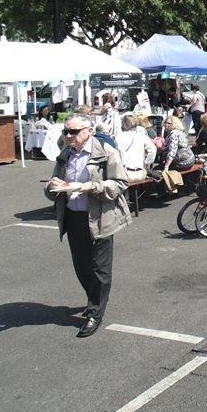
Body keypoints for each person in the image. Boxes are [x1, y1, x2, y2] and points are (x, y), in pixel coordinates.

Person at [45, 114, 132, 338]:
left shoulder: (105, 152)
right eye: (65, 131)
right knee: (81, 266)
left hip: (100, 217)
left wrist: (88, 187)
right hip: (74, 217)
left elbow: (120, 183)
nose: (67, 136)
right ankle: (94, 298)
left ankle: (95, 312)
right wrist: (53, 186)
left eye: (73, 132)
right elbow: (53, 188)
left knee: (100, 270)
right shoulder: (65, 155)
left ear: (88, 131)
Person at [118, 114, 157, 182]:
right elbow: (153, 150)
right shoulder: (142, 136)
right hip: (140, 173)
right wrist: (147, 163)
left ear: (123, 123)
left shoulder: (118, 136)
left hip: (124, 174)